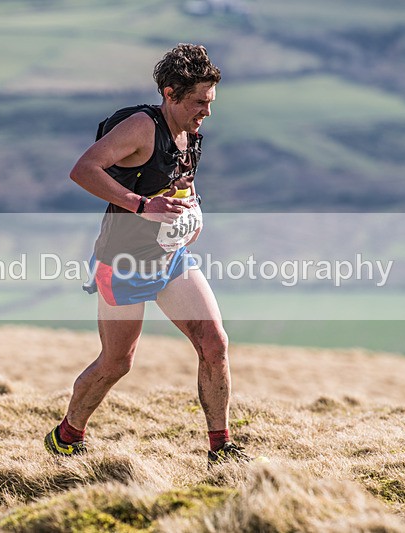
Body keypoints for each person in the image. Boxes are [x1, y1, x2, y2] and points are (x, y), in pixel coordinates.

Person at [44, 44, 254, 467]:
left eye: (210, 103)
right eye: (198, 102)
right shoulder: (141, 126)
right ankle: (66, 436)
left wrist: (193, 216)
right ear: (170, 93)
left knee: (214, 345)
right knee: (118, 361)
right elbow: (83, 169)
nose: (206, 112)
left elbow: (183, 185)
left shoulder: (190, 134)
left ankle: (221, 448)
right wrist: (142, 206)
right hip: (122, 262)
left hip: (171, 259)